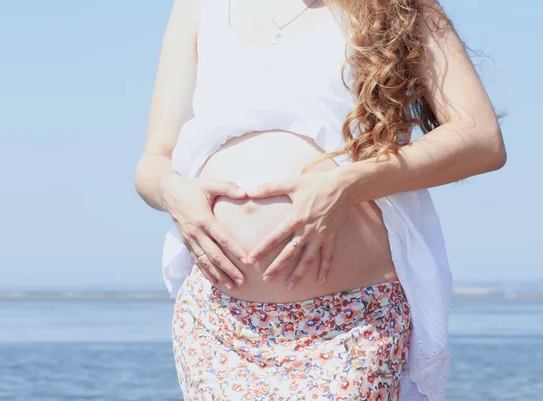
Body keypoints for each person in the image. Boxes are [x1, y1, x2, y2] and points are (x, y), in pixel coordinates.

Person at [135, 0, 506, 399]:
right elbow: (155, 159)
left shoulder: (399, 5)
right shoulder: (198, 7)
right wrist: (174, 195)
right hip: (220, 323)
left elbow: (480, 137)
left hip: (349, 324)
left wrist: (346, 186)